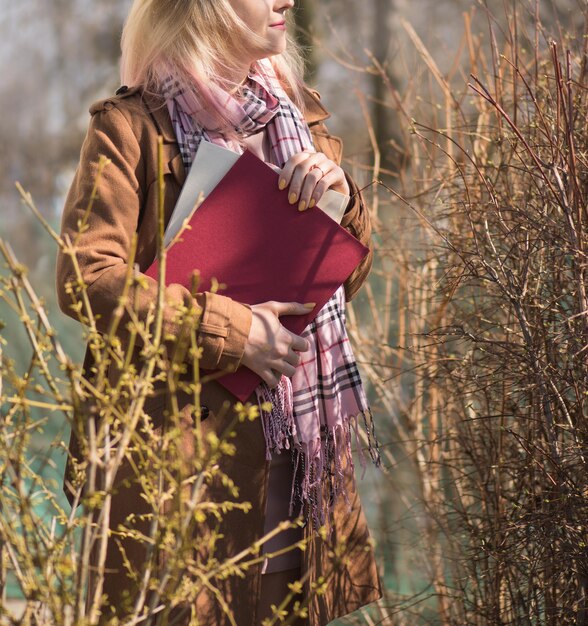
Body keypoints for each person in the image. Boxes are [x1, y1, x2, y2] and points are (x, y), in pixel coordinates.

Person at [56, 0, 382, 624]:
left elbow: (341, 284)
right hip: (178, 474)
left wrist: (342, 208)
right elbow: (86, 278)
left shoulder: (300, 118)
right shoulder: (131, 129)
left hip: (296, 474)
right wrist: (233, 333)